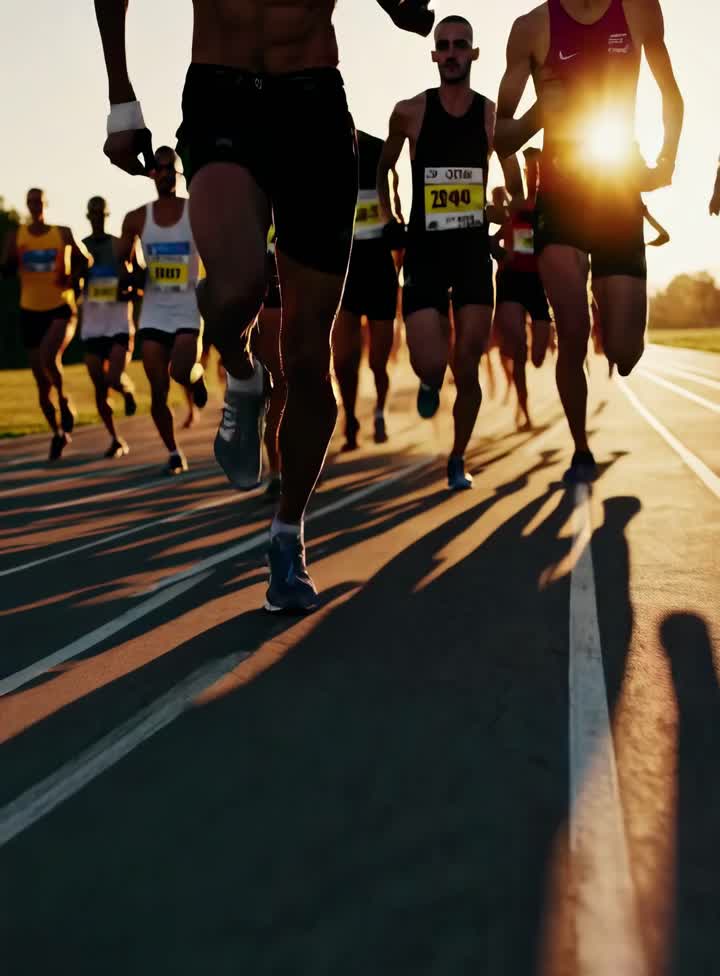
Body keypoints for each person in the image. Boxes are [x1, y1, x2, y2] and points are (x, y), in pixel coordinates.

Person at [95, 0, 434, 613]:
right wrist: (122, 100)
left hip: (313, 102)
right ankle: (243, 372)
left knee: (309, 359)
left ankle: (287, 534)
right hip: (223, 92)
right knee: (238, 287)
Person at [495, 0, 683, 484]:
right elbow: (502, 136)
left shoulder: (639, 10)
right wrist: (542, 112)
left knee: (625, 353)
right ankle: (580, 448)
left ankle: (607, 304)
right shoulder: (532, 28)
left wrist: (665, 161)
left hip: (618, 189)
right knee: (572, 334)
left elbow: (670, 95)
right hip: (559, 202)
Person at [378, 14, 523, 492]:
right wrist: (388, 218)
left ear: (473, 54)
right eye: (445, 45)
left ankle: (458, 458)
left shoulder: (489, 116)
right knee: (430, 364)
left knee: (467, 364)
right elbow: (381, 175)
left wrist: (501, 216)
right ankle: (425, 380)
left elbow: (514, 188)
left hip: (472, 257)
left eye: (462, 45)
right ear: (435, 54)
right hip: (424, 254)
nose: (453, 52)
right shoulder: (409, 112)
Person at [117, 147, 208, 475]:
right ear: (152, 173)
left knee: (180, 372)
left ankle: (196, 378)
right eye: (160, 168)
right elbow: (122, 263)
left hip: (187, 309)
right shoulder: (137, 218)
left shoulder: (195, 211)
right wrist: (132, 275)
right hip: (154, 313)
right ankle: (173, 452)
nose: (166, 174)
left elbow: (215, 252)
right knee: (158, 390)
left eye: (171, 168)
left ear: (179, 174)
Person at [1, 189, 87, 460]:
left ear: (46, 205)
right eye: (30, 202)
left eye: (39, 201)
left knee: (50, 357)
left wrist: (74, 278)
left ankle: (65, 401)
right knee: (41, 384)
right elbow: (4, 268)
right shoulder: (16, 236)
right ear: (26, 205)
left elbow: (87, 261)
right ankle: (58, 433)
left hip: (61, 307)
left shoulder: (62, 233)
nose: (35, 206)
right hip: (30, 312)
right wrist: (10, 262)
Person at [332, 131, 402, 450]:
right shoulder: (327, 166)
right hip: (345, 273)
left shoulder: (379, 161)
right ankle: (350, 418)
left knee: (377, 362)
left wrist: (397, 273)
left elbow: (396, 223)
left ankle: (379, 411)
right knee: (345, 359)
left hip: (379, 273)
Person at [495, 147, 551, 430]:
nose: (533, 176)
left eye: (536, 170)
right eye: (530, 169)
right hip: (512, 280)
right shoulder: (513, 208)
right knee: (518, 351)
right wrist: (499, 252)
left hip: (538, 283)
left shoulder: (548, 207)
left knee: (537, 358)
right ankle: (525, 410)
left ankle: (530, 354)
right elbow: (495, 238)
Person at [81, 195, 137, 458]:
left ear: (106, 215)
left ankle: (127, 391)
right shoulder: (81, 249)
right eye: (92, 213)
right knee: (99, 388)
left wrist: (125, 292)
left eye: (101, 213)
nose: (96, 217)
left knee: (113, 379)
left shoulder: (120, 246)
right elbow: (70, 284)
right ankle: (115, 439)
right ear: (87, 216)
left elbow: (138, 284)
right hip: (93, 327)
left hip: (118, 325)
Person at [253, 227, 285, 502]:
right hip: (261, 312)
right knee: (270, 408)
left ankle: (300, 463)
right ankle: (276, 472)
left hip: (290, 308)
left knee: (290, 398)